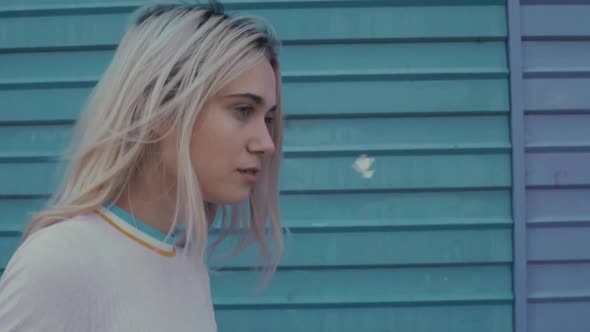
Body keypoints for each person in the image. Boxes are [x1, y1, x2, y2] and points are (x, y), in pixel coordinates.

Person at [0, 1, 284, 330]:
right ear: (160, 110)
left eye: (268, 119)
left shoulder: (187, 264)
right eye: (242, 110)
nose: (266, 143)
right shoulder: (60, 263)